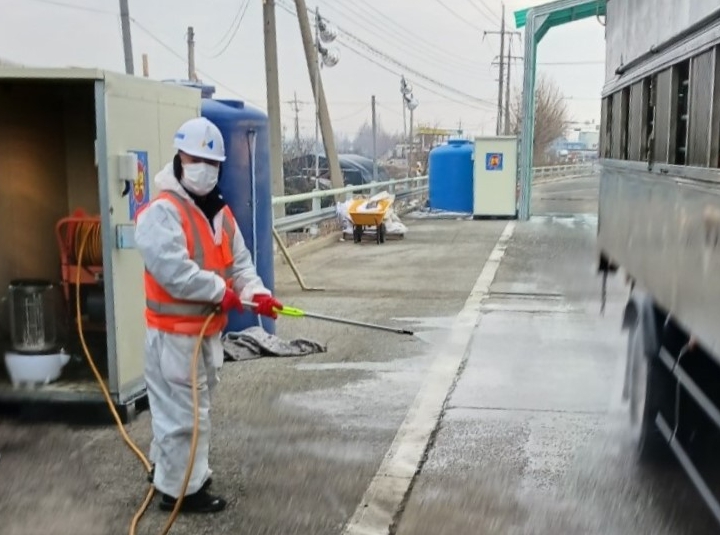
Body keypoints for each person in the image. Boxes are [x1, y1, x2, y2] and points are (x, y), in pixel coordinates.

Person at [134, 117, 283, 514]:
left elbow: (240, 265)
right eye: (196, 159)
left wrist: (256, 294)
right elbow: (175, 273)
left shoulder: (220, 213)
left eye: (212, 162)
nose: (204, 168)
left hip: (205, 334)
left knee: (181, 411)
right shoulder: (161, 213)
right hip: (174, 337)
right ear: (179, 158)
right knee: (185, 416)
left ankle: (168, 471)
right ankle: (182, 491)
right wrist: (222, 292)